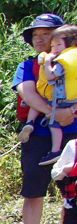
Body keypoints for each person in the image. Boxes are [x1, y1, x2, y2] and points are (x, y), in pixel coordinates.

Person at [14, 13, 76, 224]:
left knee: (73, 193)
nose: (39, 39)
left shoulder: (72, 61)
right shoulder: (28, 65)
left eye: (45, 34)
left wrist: (71, 112)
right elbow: (27, 95)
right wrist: (56, 113)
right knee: (34, 192)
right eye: (35, 35)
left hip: (73, 133)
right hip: (38, 135)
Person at [37, 25, 77, 166]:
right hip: (74, 100)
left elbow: (49, 76)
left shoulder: (61, 62)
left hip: (63, 101)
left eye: (58, 45)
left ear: (71, 43)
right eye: (53, 45)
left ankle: (55, 150)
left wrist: (47, 62)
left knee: (53, 124)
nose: (54, 49)